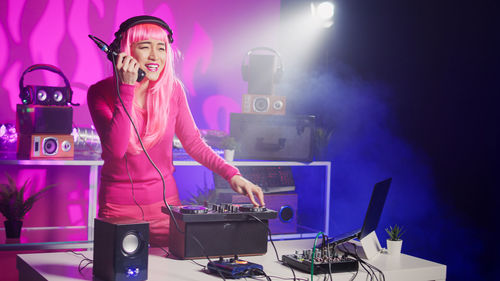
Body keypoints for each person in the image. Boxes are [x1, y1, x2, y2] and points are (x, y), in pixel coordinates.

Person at [87, 15, 265, 246]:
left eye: (161, 48)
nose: (155, 56)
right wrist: (127, 89)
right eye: (144, 47)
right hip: (118, 210)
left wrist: (232, 174)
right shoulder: (99, 92)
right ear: (123, 52)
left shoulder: (173, 90)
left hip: (166, 208)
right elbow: (117, 150)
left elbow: (194, 143)